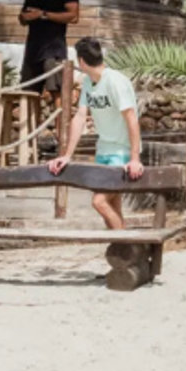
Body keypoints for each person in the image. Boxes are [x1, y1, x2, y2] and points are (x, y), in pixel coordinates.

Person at [49, 38, 144, 230]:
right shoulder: (88, 83)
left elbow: (131, 118)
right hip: (103, 151)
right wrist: (67, 155)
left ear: (81, 61)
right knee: (113, 208)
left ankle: (129, 247)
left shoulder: (116, 81)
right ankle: (125, 254)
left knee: (99, 202)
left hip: (122, 152)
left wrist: (134, 158)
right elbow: (80, 117)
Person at [18, 0, 79, 98]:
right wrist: (23, 17)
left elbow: (74, 16)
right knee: (29, 92)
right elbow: (23, 16)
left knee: (57, 92)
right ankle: (32, 122)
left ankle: (60, 122)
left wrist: (43, 14)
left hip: (53, 47)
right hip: (33, 46)